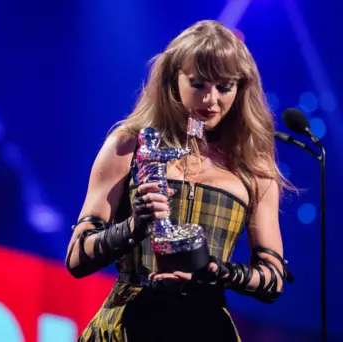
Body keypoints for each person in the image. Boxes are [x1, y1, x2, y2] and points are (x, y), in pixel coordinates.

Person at [65, 20, 294, 342]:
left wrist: (214, 270)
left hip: (207, 328)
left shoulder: (253, 169)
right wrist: (134, 225)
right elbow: (77, 258)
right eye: (198, 84)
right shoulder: (128, 145)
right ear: (174, 81)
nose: (211, 100)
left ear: (241, 89)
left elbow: (272, 279)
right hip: (126, 325)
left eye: (224, 87)